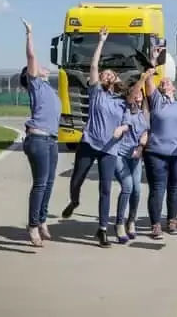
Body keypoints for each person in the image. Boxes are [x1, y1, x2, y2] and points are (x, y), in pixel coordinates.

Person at [61, 27, 126, 247]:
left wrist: (123, 129)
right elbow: (94, 66)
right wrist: (101, 41)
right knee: (77, 178)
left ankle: (102, 229)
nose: (106, 75)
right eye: (104, 74)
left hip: (109, 148)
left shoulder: (121, 101)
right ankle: (74, 200)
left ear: (116, 80)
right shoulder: (96, 92)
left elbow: (129, 121)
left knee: (105, 188)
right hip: (89, 143)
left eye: (111, 74)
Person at [143, 45, 177, 239]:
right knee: (158, 188)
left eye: (167, 82)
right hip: (156, 152)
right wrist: (153, 60)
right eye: (162, 81)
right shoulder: (156, 100)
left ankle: (172, 221)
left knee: (175, 188)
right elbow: (148, 79)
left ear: (174, 87)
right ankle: (155, 224)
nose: (164, 82)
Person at [19, 18, 60, 247]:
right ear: (30, 75)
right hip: (38, 139)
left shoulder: (48, 89)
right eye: (36, 68)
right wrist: (29, 34)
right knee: (41, 183)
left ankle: (42, 219)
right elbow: (32, 57)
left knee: (50, 182)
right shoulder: (35, 84)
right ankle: (33, 225)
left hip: (51, 141)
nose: (42, 66)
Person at [111, 76, 150, 243]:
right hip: (120, 154)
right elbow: (125, 125)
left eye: (140, 93)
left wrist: (141, 148)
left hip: (135, 156)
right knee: (127, 186)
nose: (138, 95)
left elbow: (145, 133)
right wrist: (121, 129)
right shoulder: (124, 108)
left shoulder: (144, 114)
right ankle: (119, 223)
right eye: (135, 93)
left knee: (137, 190)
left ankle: (131, 220)